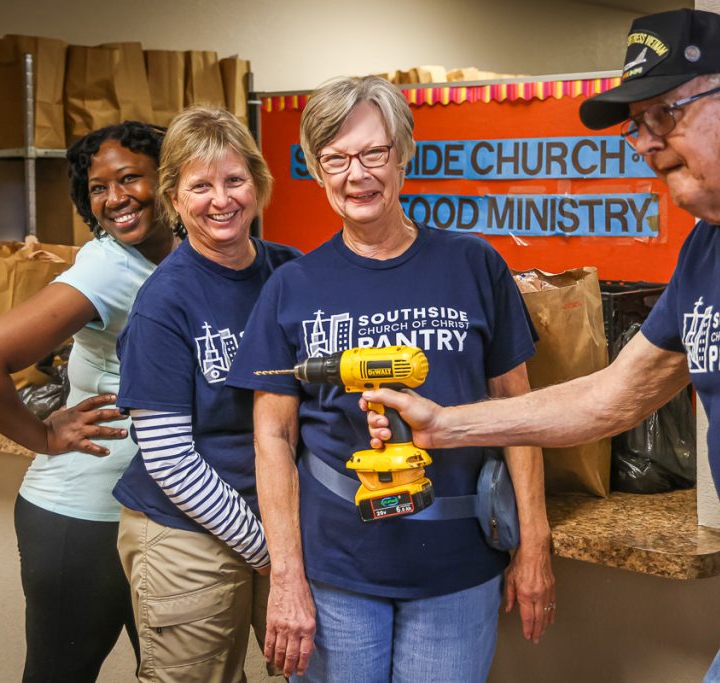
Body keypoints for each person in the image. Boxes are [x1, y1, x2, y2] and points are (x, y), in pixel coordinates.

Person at [364, 8, 720, 682]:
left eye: (665, 115)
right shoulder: (707, 249)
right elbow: (614, 395)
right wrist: (447, 424)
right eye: (636, 126)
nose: (647, 142)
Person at [225, 75, 555, 683]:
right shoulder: (292, 287)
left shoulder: (473, 264)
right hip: (336, 574)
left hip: (458, 566)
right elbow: (272, 439)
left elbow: (518, 409)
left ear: (403, 154)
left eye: (374, 153)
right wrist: (287, 578)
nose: (358, 175)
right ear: (317, 170)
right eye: (337, 159)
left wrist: (533, 544)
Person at [0, 121, 176, 682]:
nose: (115, 199)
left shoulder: (183, 257)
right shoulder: (109, 266)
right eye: (98, 188)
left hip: (153, 516)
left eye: (130, 179)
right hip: (85, 517)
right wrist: (44, 436)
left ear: (168, 179)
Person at [112, 105, 301, 683]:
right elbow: (170, 459)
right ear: (173, 198)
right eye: (200, 186)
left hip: (281, 522)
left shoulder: (289, 273)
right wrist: (267, 549)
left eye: (234, 180)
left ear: (258, 184)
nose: (221, 200)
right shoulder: (164, 302)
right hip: (188, 533)